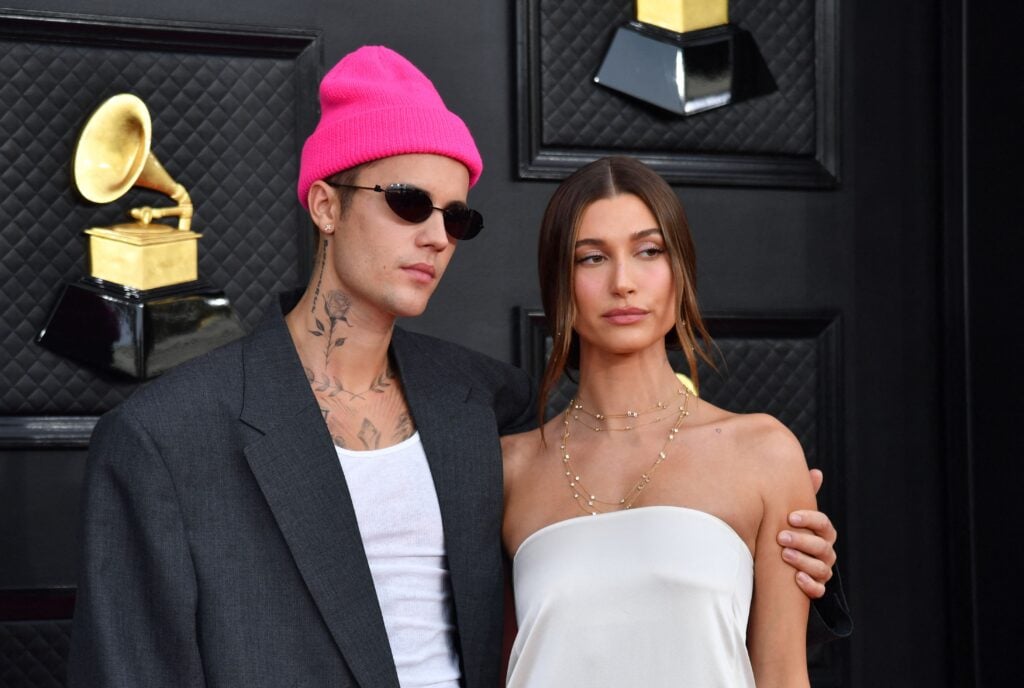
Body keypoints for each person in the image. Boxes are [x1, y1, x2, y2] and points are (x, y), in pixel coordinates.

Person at [68, 47, 844, 688]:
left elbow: (639, 531)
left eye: (456, 215)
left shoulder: (487, 407)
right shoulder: (166, 439)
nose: (437, 235)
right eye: (408, 202)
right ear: (326, 205)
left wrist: (798, 547)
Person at [502, 156, 839, 687]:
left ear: (681, 273)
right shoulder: (508, 470)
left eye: (648, 251)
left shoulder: (764, 453)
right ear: (559, 289)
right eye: (591, 258)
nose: (623, 282)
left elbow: (782, 676)